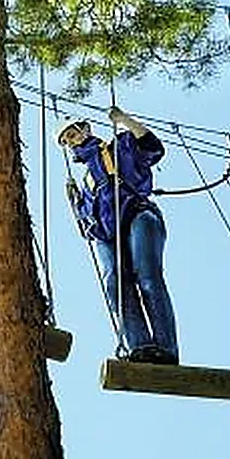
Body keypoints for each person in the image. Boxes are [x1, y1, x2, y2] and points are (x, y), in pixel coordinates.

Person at [60, 105, 179, 364]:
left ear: (86, 129)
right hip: (110, 234)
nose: (72, 141)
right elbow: (89, 229)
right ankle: (139, 347)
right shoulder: (86, 183)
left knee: (147, 276)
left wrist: (124, 120)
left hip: (137, 215)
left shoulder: (118, 147)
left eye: (74, 133)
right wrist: (76, 206)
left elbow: (152, 148)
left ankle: (166, 348)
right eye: (67, 139)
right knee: (114, 281)